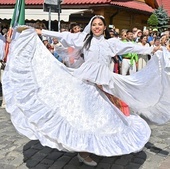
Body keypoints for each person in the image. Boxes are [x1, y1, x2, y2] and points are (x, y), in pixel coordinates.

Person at [2, 15, 170, 167]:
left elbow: (130, 48)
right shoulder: (84, 40)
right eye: (94, 24)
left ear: (104, 27)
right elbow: (63, 36)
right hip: (85, 84)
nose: (96, 27)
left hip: (102, 86)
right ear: (91, 26)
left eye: (99, 25)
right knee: (85, 117)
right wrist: (40, 30)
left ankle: (98, 146)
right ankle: (83, 151)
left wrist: (151, 49)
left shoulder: (111, 44)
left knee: (106, 118)